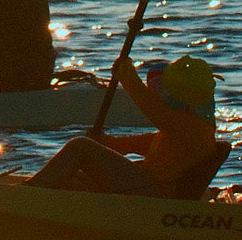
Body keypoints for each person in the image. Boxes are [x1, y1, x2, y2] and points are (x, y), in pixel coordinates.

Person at [28, 54, 223, 195]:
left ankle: (25, 195)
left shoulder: (189, 126)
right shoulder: (185, 127)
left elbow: (150, 108)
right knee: (76, 180)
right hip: (146, 185)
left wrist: (127, 75)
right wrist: (107, 143)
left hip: (155, 194)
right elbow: (141, 144)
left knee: (80, 146)